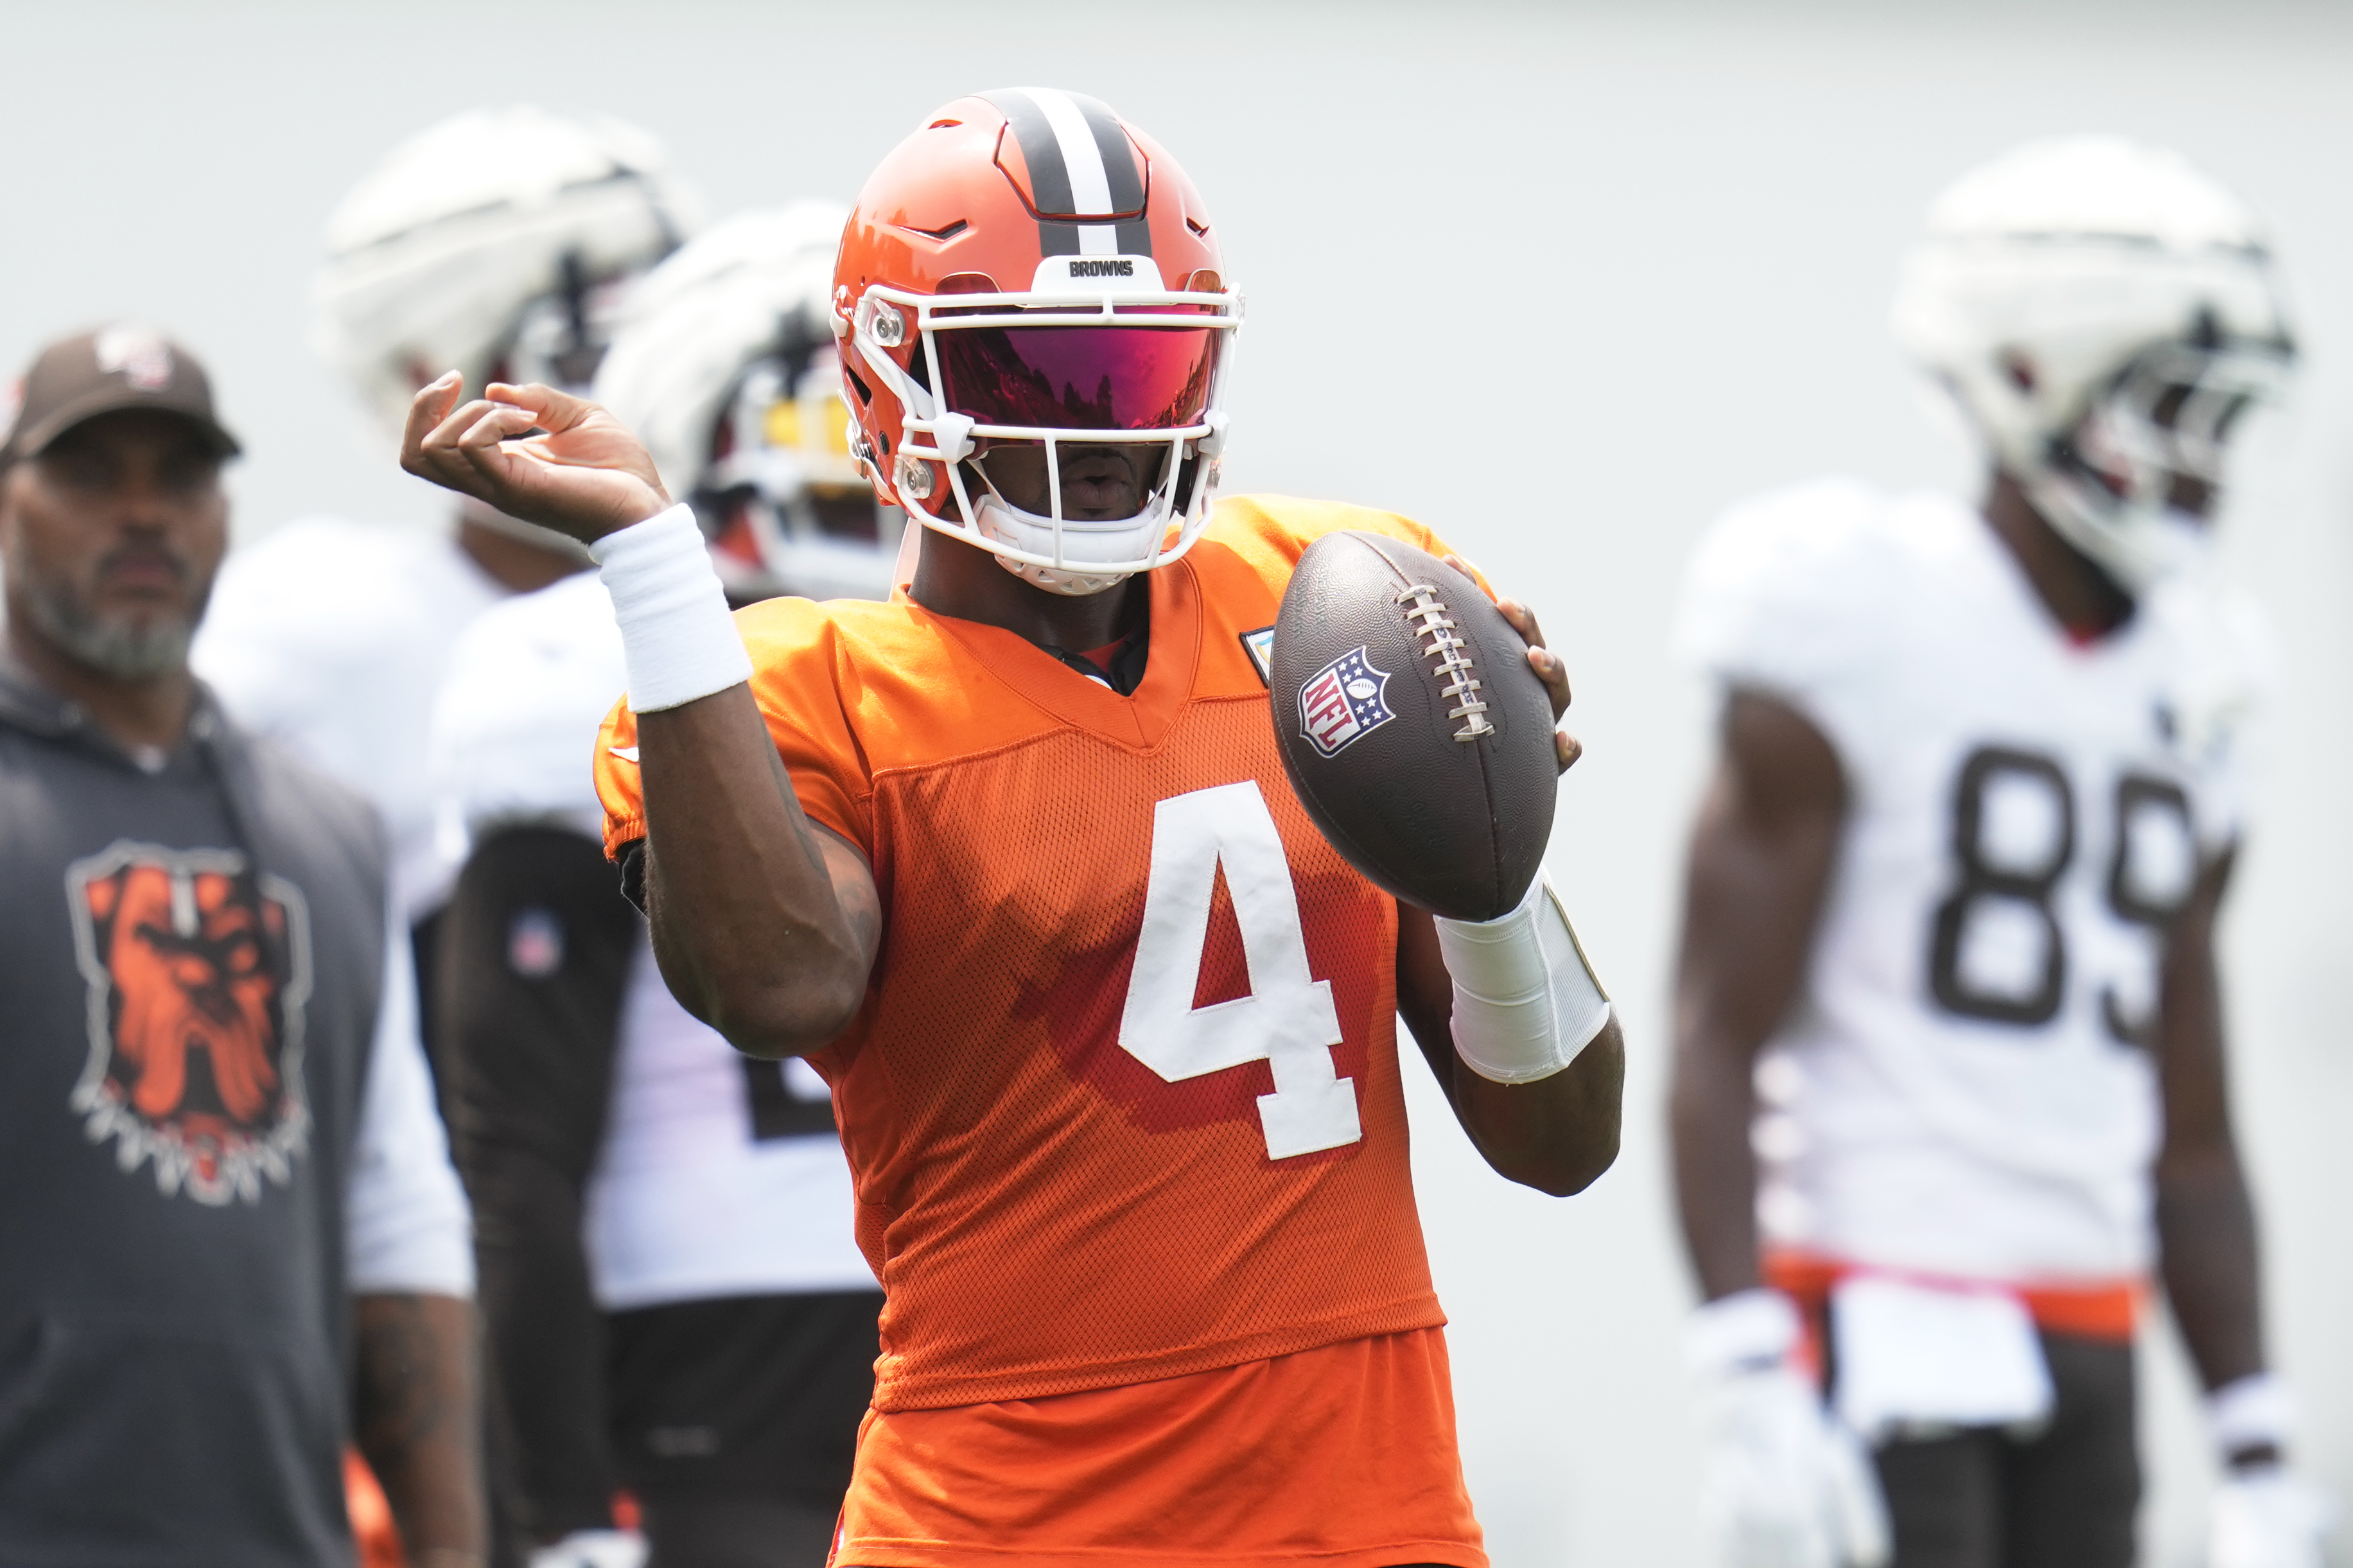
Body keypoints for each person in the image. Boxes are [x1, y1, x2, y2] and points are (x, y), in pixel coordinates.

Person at [398, 87, 1625, 1568]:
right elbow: (780, 986)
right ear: (884, 379)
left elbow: (1559, 1143)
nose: (1094, 427)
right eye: (1032, 368)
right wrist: (655, 569)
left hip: (1367, 1516)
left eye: (1139, 365)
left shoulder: (1337, 593)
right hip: (1002, 1523)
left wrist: (1493, 873)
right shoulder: (803, 686)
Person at [1668, 137, 2328, 1568]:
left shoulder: (2207, 680)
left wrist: (2255, 1439)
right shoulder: (1857, 610)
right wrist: (1743, 1365)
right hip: (1878, 1296)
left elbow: (2188, 1108)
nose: (2205, 465)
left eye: (2225, 422)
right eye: (2175, 410)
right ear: (2031, 376)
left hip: (2090, 1319)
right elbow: (1714, 1029)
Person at [428, 205, 896, 1568]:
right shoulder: (579, 684)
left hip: (945, 1347)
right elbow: (516, 1152)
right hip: (705, 1387)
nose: (848, 475)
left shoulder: (943, 675)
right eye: (806, 427)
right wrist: (563, 1509)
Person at [0, 324, 481, 1565]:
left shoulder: (330, 833)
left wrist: (451, 1545)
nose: (143, 514)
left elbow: (393, 1204)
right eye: (88, 474)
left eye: (182, 476)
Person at [192, 105, 694, 1016]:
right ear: (430, 370)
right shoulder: (321, 620)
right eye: (592, 344)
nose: (645, 386)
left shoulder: (729, 608)